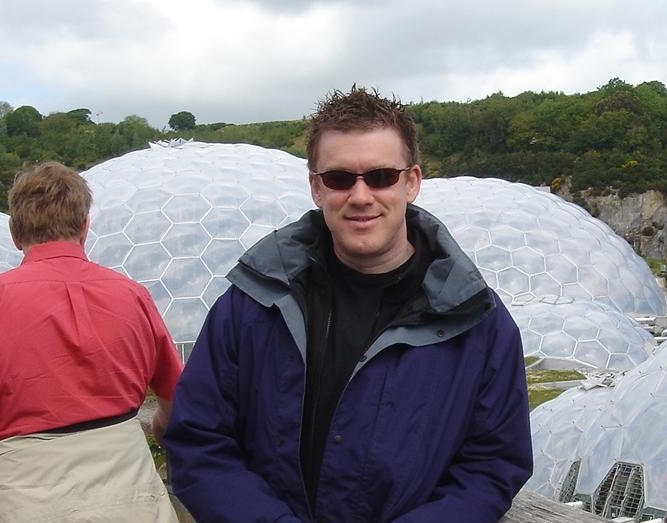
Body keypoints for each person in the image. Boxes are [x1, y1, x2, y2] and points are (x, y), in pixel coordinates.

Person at [164, 87, 533, 522]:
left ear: (411, 182)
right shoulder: (252, 304)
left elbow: (492, 466)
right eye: (340, 178)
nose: (360, 196)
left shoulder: (477, 322)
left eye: (380, 176)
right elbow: (198, 440)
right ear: (316, 187)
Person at [0, 162, 183, 522]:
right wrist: (158, 429)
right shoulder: (132, 297)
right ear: (84, 227)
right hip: (133, 497)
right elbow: (176, 406)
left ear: (15, 232)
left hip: (22, 502)